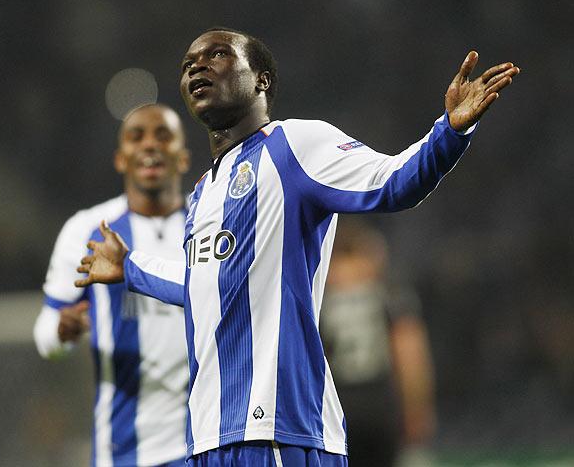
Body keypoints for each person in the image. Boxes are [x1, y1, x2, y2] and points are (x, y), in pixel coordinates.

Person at [75, 27, 519, 466]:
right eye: (188, 64)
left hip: (280, 432)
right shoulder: (201, 195)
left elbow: (393, 183)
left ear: (261, 79)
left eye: (217, 56)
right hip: (208, 437)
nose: (197, 67)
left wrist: (450, 133)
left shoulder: (296, 145)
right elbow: (201, 285)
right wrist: (129, 267)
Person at [33, 103, 191, 467]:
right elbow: (46, 335)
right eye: (137, 137)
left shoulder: (210, 226)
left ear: (182, 158)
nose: (150, 145)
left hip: (207, 440)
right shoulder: (86, 229)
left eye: (163, 136)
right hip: (124, 449)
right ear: (121, 159)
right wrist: (63, 330)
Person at [320, 218, 436, 467]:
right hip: (380, 408)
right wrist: (417, 408)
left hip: (331, 411)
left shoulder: (316, 298)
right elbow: (410, 353)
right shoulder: (389, 294)